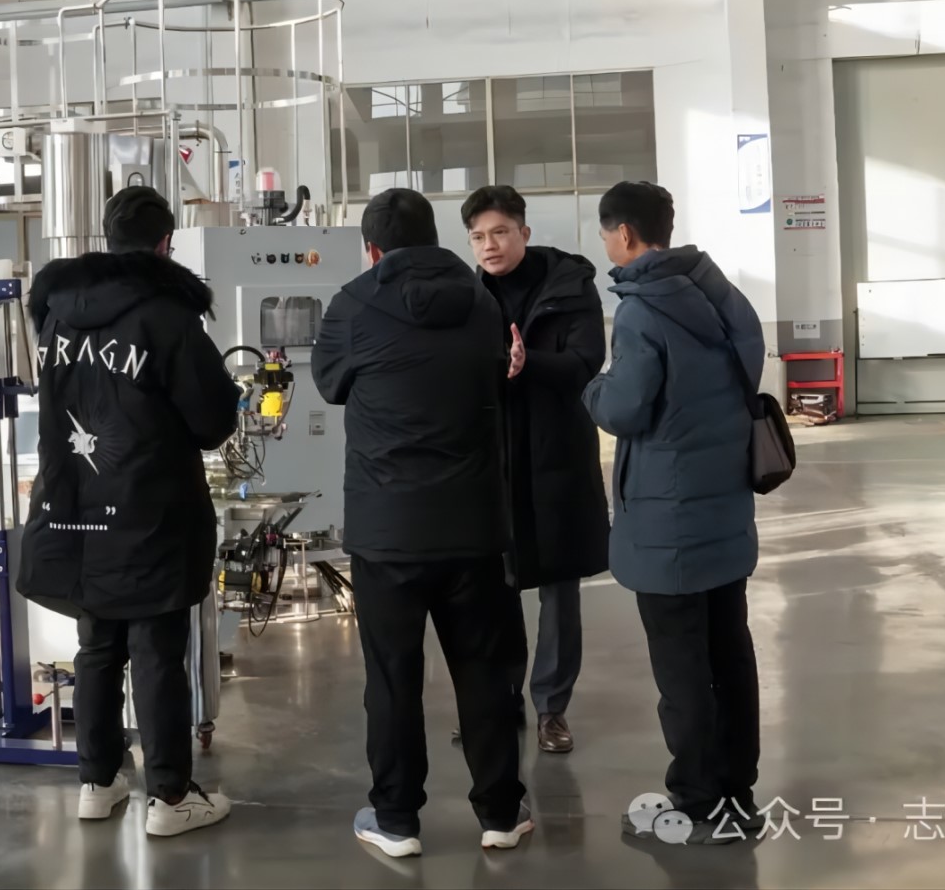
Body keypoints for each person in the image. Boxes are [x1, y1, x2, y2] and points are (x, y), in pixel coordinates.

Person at [313, 187, 533, 858]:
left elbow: (328, 384)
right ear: (436, 238)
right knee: (484, 671)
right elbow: (496, 377)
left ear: (372, 249)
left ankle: (395, 819)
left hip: (388, 529)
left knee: (391, 678)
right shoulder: (481, 301)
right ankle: (501, 813)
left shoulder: (353, 303)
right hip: (473, 523)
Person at [16, 186, 240, 838]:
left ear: (107, 239)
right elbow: (211, 421)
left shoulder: (56, 314)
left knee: (96, 647)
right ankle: (169, 797)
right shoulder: (168, 317)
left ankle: (97, 780)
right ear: (165, 244)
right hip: (149, 512)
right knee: (155, 652)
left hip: (75, 508)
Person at [581, 181, 764, 846]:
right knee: (730, 656)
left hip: (668, 526)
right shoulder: (720, 295)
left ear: (625, 235)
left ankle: (694, 802)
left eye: (606, 233)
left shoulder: (640, 311)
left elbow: (624, 408)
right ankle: (736, 793)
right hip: (725, 511)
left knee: (681, 671)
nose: (606, 244)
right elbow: (747, 366)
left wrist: (592, 387)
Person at [461, 185, 610, 756]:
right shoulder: (469, 296)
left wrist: (531, 364)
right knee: (493, 588)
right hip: (493, 458)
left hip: (556, 455)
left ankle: (551, 708)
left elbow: (586, 362)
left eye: (500, 232)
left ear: (524, 232)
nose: (490, 245)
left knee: (558, 587)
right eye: (478, 236)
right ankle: (499, 702)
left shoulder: (569, 287)